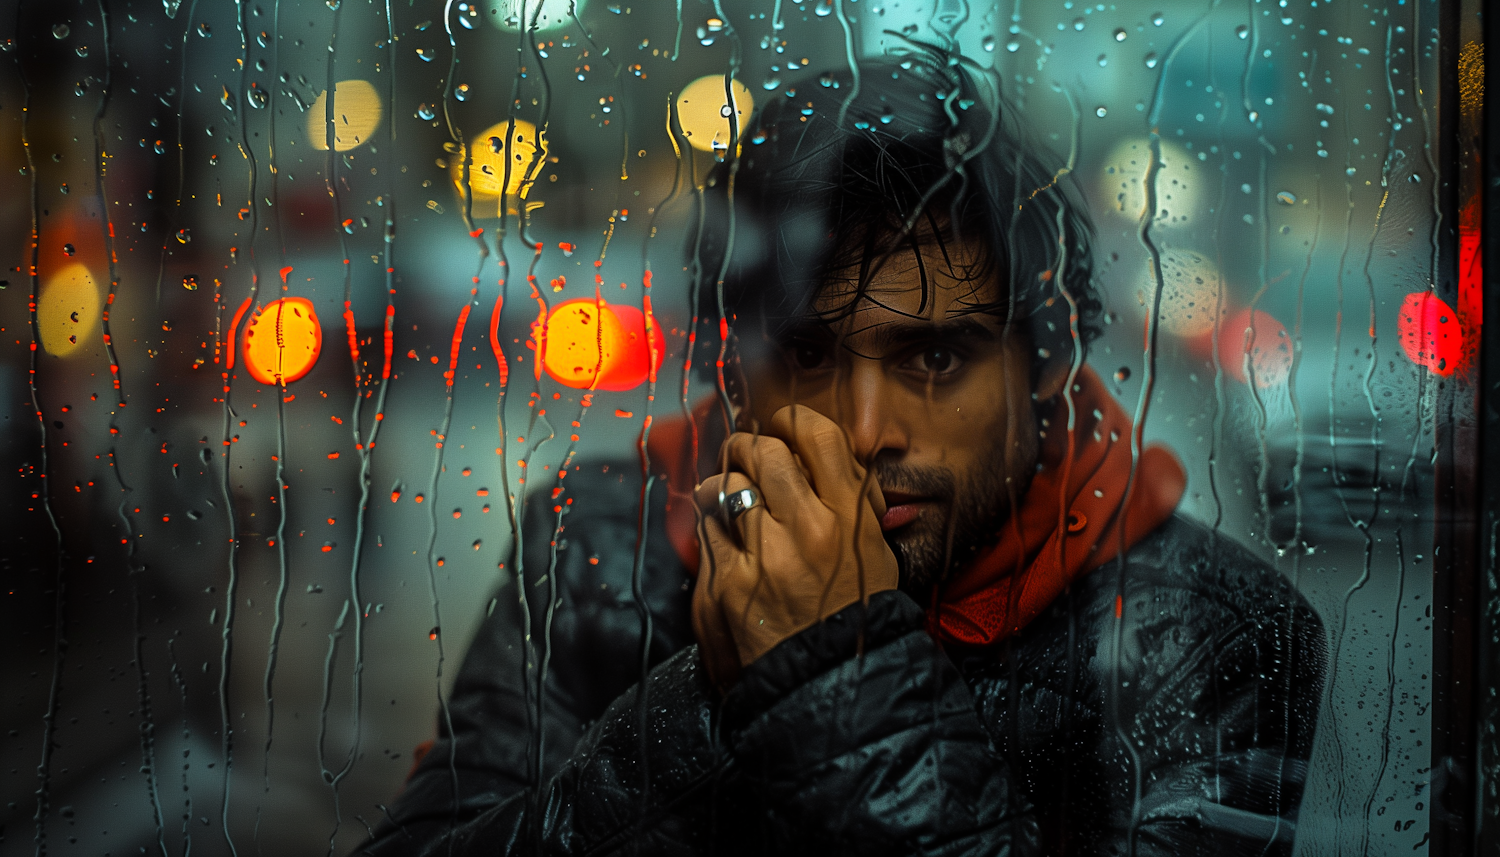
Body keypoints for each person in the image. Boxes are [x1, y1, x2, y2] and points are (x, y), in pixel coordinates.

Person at [354, 47, 1325, 857]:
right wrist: (721, 700)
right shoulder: (604, 545)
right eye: (808, 354)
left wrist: (825, 669)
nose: (865, 430)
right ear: (732, 370)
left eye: (935, 355)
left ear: (1049, 361)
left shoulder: (1209, 630)